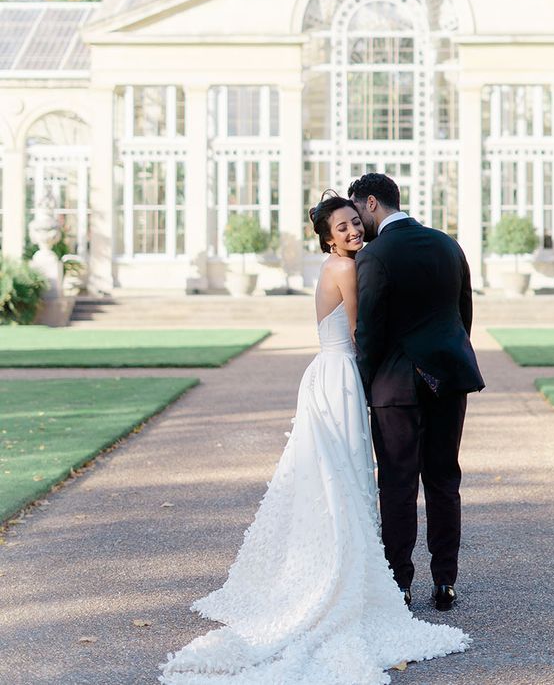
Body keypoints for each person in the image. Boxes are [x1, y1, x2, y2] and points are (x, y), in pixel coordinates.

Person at [160, 191, 469, 685]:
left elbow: (374, 331)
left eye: (354, 223)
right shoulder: (353, 267)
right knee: (361, 479)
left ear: (367, 210)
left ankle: (389, 579)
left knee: (360, 480)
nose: (353, 232)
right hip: (343, 376)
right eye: (342, 227)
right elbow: (364, 331)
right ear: (326, 239)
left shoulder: (359, 261)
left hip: (340, 375)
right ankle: (396, 578)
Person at [350, 174, 485, 612]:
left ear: (371, 203)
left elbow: (369, 330)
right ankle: (446, 582)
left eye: (358, 212)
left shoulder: (375, 255)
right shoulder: (448, 244)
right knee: (445, 480)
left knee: (398, 483)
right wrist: (447, 357)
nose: (357, 223)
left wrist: (365, 382)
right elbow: (464, 313)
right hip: (450, 377)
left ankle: (400, 585)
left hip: (396, 385)